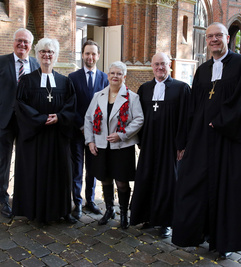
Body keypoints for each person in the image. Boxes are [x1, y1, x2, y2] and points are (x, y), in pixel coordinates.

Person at [171, 22, 241, 259]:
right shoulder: (203, 70)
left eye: (218, 36)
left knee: (228, 189)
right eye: (210, 36)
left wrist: (222, 120)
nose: (214, 39)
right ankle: (198, 232)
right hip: (202, 141)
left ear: (227, 37)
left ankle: (225, 242)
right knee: (196, 184)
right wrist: (183, 141)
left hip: (230, 142)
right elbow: (193, 108)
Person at [12, 38, 77, 223]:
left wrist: (59, 117)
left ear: (55, 56)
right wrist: (41, 119)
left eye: (50, 52)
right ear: (37, 55)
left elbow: (71, 105)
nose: (47, 55)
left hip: (58, 136)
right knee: (36, 172)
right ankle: (36, 212)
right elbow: (20, 105)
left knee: (60, 172)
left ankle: (62, 211)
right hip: (35, 137)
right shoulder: (26, 81)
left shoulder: (64, 82)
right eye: (43, 51)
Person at [130, 52, 190, 237]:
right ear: (152, 67)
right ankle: (147, 217)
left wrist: (182, 144)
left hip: (169, 144)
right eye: (156, 64)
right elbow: (138, 116)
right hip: (149, 143)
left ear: (169, 65)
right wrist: (139, 140)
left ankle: (166, 222)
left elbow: (186, 118)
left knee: (168, 181)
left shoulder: (181, 88)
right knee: (147, 177)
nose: (159, 68)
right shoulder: (145, 88)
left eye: (163, 64)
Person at [0, 28, 39, 218]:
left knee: (26, 160)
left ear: (31, 46)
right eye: (19, 40)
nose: (22, 44)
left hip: (27, 122)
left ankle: (24, 197)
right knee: (3, 160)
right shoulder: (0, 61)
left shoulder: (35, 63)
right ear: (13, 42)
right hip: (5, 120)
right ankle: (2, 198)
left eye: (26, 42)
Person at [84, 61, 143, 229]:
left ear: (124, 77)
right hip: (102, 145)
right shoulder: (99, 96)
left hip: (122, 147)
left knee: (122, 182)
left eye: (119, 74)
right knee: (105, 178)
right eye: (112, 73)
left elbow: (139, 119)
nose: (115, 76)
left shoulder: (132, 97)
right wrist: (90, 141)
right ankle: (109, 209)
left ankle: (124, 213)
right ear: (108, 75)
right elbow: (88, 119)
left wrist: (122, 134)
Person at [69, 40, 109, 220]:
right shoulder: (73, 78)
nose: (90, 57)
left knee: (92, 168)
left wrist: (94, 129)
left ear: (98, 56)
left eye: (93, 54)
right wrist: (82, 127)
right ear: (82, 55)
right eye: (87, 53)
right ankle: (77, 202)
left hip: (97, 132)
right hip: (77, 132)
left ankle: (90, 200)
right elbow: (71, 105)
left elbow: (107, 105)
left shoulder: (105, 78)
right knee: (77, 167)